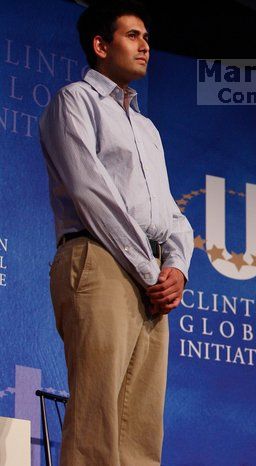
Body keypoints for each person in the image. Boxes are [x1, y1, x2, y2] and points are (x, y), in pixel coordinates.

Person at [38, 2, 193, 464]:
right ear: (101, 45)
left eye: (146, 37)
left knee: (142, 428)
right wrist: (151, 270)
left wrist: (177, 268)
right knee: (97, 419)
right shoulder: (75, 102)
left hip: (148, 274)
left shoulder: (147, 128)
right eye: (132, 36)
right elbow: (93, 194)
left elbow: (171, 215)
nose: (145, 45)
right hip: (100, 260)